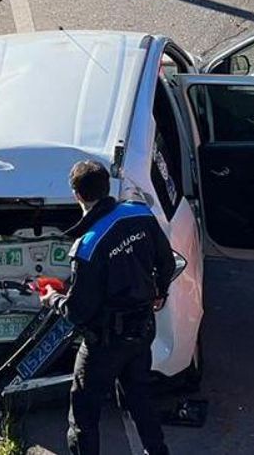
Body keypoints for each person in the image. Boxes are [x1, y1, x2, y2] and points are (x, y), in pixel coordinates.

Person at [41, 160, 176, 455]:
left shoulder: (87, 246)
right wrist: (160, 292)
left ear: (76, 194)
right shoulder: (140, 214)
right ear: (107, 187)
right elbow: (167, 261)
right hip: (142, 330)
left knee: (84, 416)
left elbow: (78, 312)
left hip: (104, 343)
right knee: (140, 398)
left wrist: (52, 297)